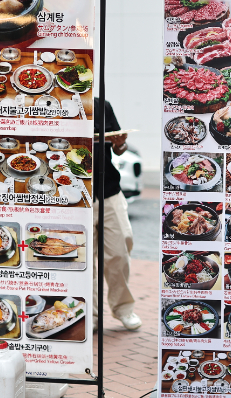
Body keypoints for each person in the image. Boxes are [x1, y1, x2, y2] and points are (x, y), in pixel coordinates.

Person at [93, 97, 141, 331]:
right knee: (83, 261)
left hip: (109, 190)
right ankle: (90, 314)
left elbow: (119, 149)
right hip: (73, 197)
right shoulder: (54, 104)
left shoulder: (102, 105)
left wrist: (120, 143)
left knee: (120, 251)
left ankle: (123, 309)